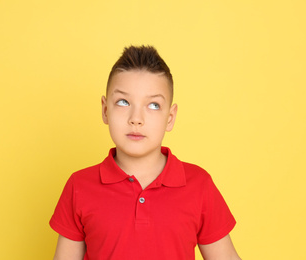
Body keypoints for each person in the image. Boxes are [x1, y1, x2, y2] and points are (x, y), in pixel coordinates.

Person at [50, 45, 241, 260]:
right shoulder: (79, 186)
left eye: (153, 105)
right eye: (123, 102)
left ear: (170, 117)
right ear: (105, 110)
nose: (136, 118)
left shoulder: (199, 185)